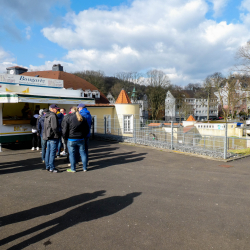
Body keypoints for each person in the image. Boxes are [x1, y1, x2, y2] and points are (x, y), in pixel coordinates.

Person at [62, 106, 89, 173]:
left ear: (71, 111)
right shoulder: (83, 118)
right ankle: (85, 168)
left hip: (71, 139)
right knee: (83, 153)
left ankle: (73, 169)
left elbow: (65, 129)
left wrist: (65, 137)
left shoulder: (68, 118)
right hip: (81, 138)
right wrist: (83, 136)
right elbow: (87, 129)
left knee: (72, 154)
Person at [43, 104, 60, 173]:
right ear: (52, 109)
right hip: (53, 136)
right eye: (56, 109)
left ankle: (47, 166)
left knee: (48, 152)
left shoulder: (47, 115)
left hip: (48, 136)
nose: (57, 110)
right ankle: (52, 167)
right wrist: (57, 134)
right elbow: (54, 127)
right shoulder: (53, 116)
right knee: (52, 153)